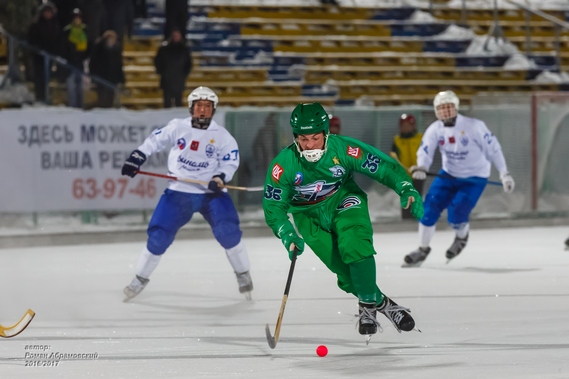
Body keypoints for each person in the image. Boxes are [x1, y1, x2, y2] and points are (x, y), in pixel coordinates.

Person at [262, 102, 424, 338]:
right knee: (345, 273)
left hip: (342, 198)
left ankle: (367, 305)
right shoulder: (283, 165)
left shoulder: (344, 149)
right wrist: (287, 234)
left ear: (326, 132)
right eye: (303, 139)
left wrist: (405, 186)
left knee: (355, 244)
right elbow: (273, 207)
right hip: (307, 215)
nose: (309, 146)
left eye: (315, 138)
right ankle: (382, 304)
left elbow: (380, 166)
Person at [121, 86, 254, 301]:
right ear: (191, 108)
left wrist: (220, 177)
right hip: (178, 192)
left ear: (213, 110)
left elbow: (230, 161)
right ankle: (139, 279)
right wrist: (137, 157)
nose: (203, 110)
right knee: (159, 236)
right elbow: (154, 141)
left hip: (211, 193)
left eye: (207, 107)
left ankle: (243, 274)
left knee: (228, 231)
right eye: (199, 106)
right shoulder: (177, 127)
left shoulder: (222, 136)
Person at [403, 90, 515, 267]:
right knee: (428, 208)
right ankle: (422, 249)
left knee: (457, 213)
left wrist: (504, 173)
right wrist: (422, 167)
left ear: (456, 108)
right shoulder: (435, 129)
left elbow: (494, 149)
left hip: (474, 178)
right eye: (441, 108)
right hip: (448, 175)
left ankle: (461, 238)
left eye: (449, 107)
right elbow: (425, 150)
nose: (445, 112)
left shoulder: (474, 126)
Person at [390, 113, 424, 220]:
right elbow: (394, 157)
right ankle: (406, 221)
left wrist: (421, 167)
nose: (404, 128)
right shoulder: (397, 140)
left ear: (413, 126)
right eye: (402, 125)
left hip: (418, 173)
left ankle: (418, 219)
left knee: (416, 197)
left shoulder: (420, 138)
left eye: (407, 125)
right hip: (404, 175)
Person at [27, 2, 61, 103]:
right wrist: (38, 49)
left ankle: (46, 95)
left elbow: (57, 39)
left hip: (50, 55)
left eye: (49, 12)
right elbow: (31, 39)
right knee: (39, 77)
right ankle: (40, 97)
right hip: (39, 56)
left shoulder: (55, 24)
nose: (48, 14)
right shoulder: (36, 25)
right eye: (46, 12)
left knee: (47, 77)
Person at [58, 8, 91, 108]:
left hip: (81, 63)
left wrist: (85, 57)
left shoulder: (86, 30)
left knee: (80, 88)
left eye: (79, 18)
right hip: (70, 63)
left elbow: (89, 46)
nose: (77, 20)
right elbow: (62, 47)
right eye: (75, 18)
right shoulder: (67, 31)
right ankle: (72, 107)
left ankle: (80, 107)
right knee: (71, 87)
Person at [154, 29, 192, 108]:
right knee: (167, 102)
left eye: (177, 35)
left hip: (179, 78)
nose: (176, 37)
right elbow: (157, 61)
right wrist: (161, 72)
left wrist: (184, 74)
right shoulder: (164, 49)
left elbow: (189, 64)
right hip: (167, 78)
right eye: (174, 35)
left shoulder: (184, 50)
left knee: (178, 102)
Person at [89, 30, 124, 108]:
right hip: (101, 75)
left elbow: (119, 64)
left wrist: (121, 78)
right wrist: (93, 74)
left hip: (113, 76)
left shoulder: (117, 48)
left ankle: (109, 107)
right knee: (102, 93)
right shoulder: (99, 48)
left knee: (111, 94)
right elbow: (93, 61)